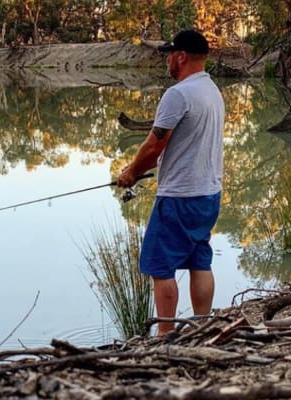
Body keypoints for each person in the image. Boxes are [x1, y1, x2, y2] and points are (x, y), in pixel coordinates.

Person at [117, 29, 225, 336]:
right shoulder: (212, 91)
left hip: (179, 196)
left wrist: (130, 173)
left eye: (169, 54)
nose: (167, 60)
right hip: (209, 192)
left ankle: (165, 335)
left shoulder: (178, 94)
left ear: (180, 57)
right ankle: (202, 326)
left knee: (159, 265)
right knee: (199, 260)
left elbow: (154, 146)